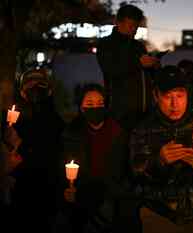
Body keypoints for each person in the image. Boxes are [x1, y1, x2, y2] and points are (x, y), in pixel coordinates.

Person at [129, 65, 193, 233]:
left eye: (180, 95)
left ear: (187, 94)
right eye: (167, 96)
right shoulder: (143, 129)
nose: (175, 103)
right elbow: (135, 173)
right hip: (158, 215)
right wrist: (159, 161)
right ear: (156, 95)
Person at [60, 83, 129, 232]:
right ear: (81, 107)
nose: (96, 108)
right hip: (81, 198)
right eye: (89, 104)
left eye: (100, 103)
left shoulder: (118, 132)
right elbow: (64, 166)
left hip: (111, 197)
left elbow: (124, 170)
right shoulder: (72, 133)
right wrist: (68, 190)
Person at [8, 68, 65, 232]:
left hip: (47, 186)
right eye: (30, 85)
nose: (35, 89)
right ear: (22, 92)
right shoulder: (15, 121)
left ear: (49, 90)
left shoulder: (56, 120)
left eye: (40, 84)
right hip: (22, 186)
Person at [96, 4, 160, 131]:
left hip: (144, 111)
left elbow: (147, 74)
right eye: (131, 25)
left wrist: (153, 65)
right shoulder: (107, 44)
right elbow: (110, 69)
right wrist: (139, 63)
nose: (134, 29)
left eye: (136, 26)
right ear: (118, 22)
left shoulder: (138, 46)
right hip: (120, 113)